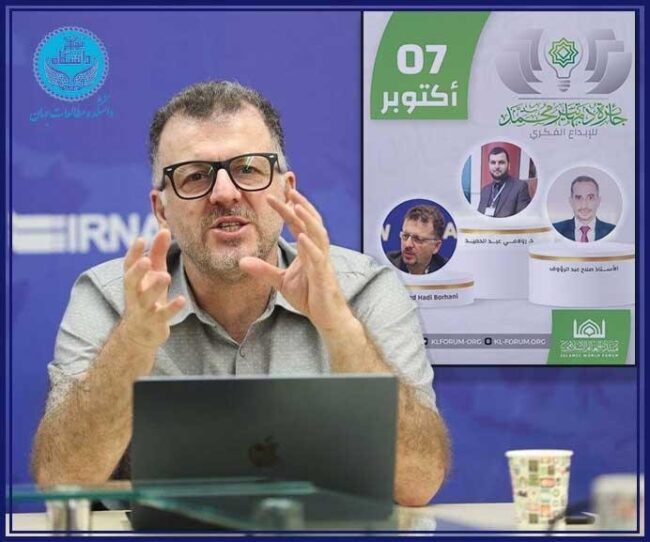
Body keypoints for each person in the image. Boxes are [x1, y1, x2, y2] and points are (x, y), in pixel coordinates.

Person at [30, 81, 450, 507]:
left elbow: (417, 482)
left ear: (286, 190)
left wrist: (340, 328)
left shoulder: (363, 290)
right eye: (195, 175)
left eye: (248, 169)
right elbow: (64, 483)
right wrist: (133, 342)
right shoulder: (112, 298)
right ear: (161, 210)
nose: (225, 193)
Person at [387, 205, 448, 275]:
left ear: (436, 246)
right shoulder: (386, 265)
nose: (407, 245)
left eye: (417, 239)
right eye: (405, 236)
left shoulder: (449, 272)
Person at [552, 175, 616, 242]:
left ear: (598, 201)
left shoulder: (612, 230)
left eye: (590, 198)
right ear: (571, 201)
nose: (584, 205)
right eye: (579, 198)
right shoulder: (555, 230)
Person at [477, 147, 531, 218]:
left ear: (508, 165)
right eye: (493, 162)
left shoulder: (520, 187)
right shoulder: (485, 190)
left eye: (501, 162)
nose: (497, 166)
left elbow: (522, 219)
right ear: (489, 166)